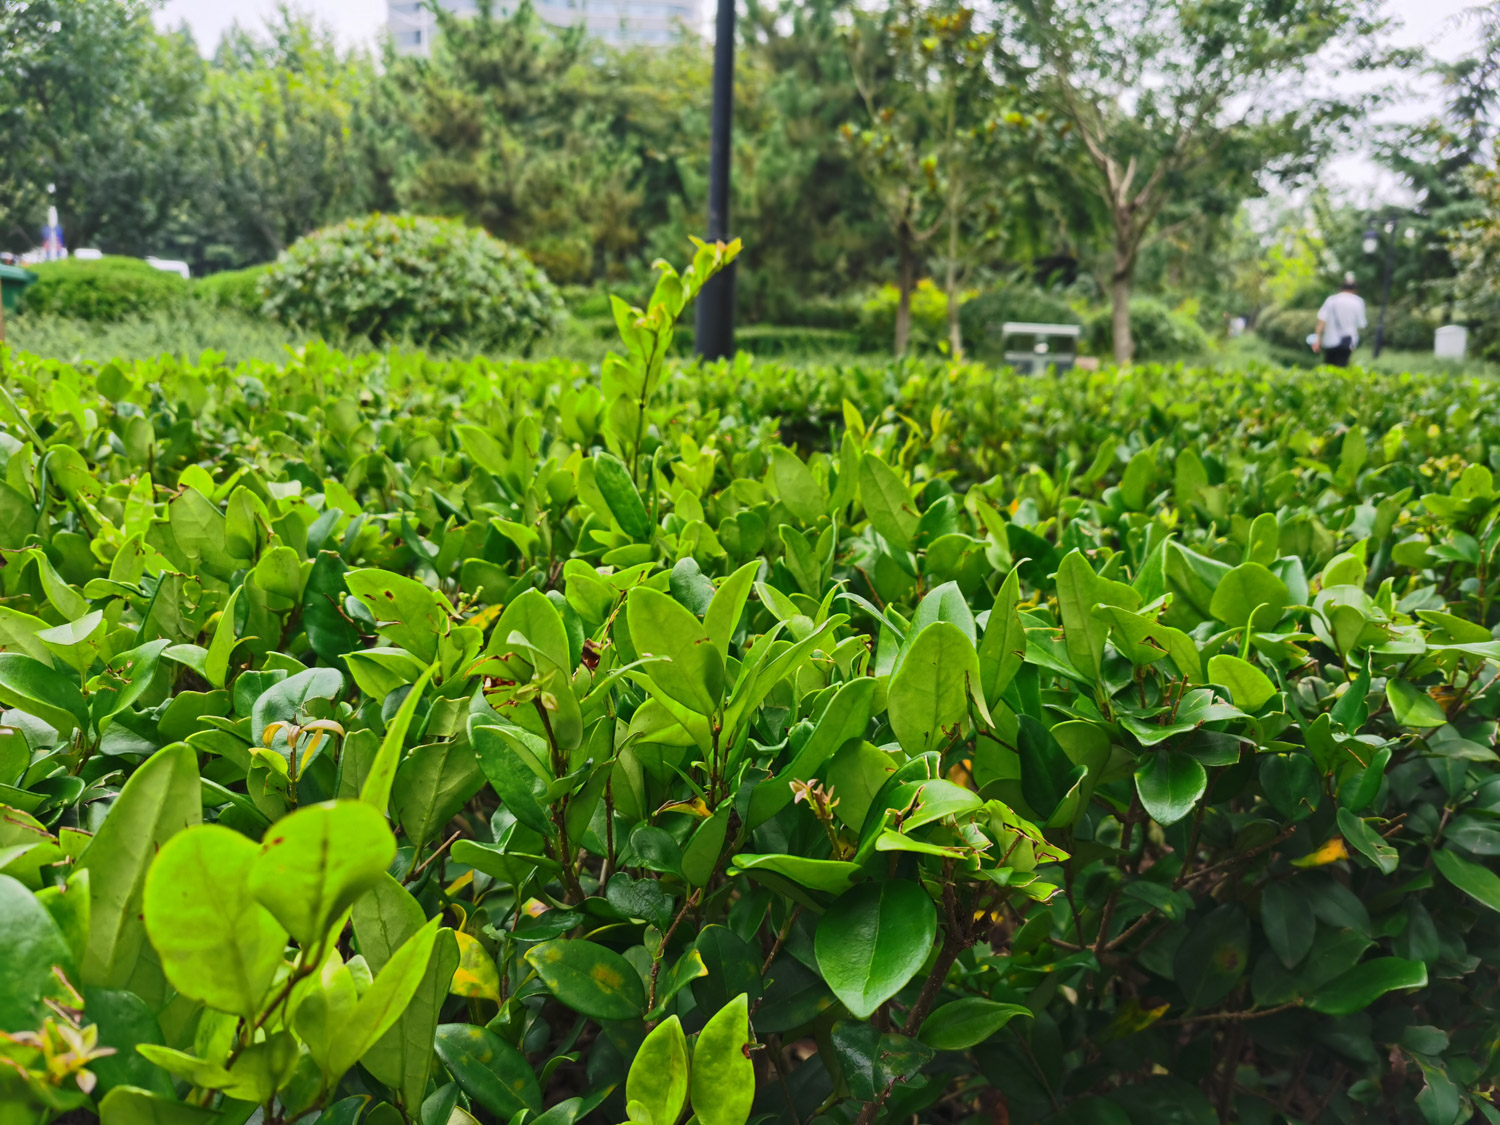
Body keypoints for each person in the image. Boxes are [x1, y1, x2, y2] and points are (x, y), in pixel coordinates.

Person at [1312, 273, 1367, 367]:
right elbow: (1361, 324)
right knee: (1341, 368)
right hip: (1347, 341)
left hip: (1330, 340)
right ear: (1354, 290)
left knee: (1328, 368)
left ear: (1341, 289)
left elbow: (1321, 320)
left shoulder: (1331, 300)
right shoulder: (1358, 301)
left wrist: (1317, 338)